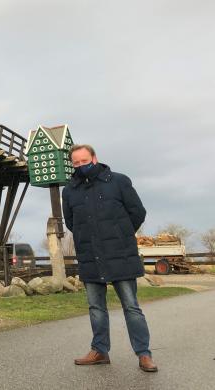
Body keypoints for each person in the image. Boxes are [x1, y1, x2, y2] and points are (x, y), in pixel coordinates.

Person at [62, 144, 157, 372]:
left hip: (120, 254)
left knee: (131, 307)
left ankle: (144, 354)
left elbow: (138, 212)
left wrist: (120, 235)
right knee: (96, 307)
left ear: (94, 158)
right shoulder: (69, 191)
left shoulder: (119, 181)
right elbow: (71, 222)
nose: (81, 166)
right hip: (90, 256)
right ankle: (100, 351)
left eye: (84, 161)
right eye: (76, 163)